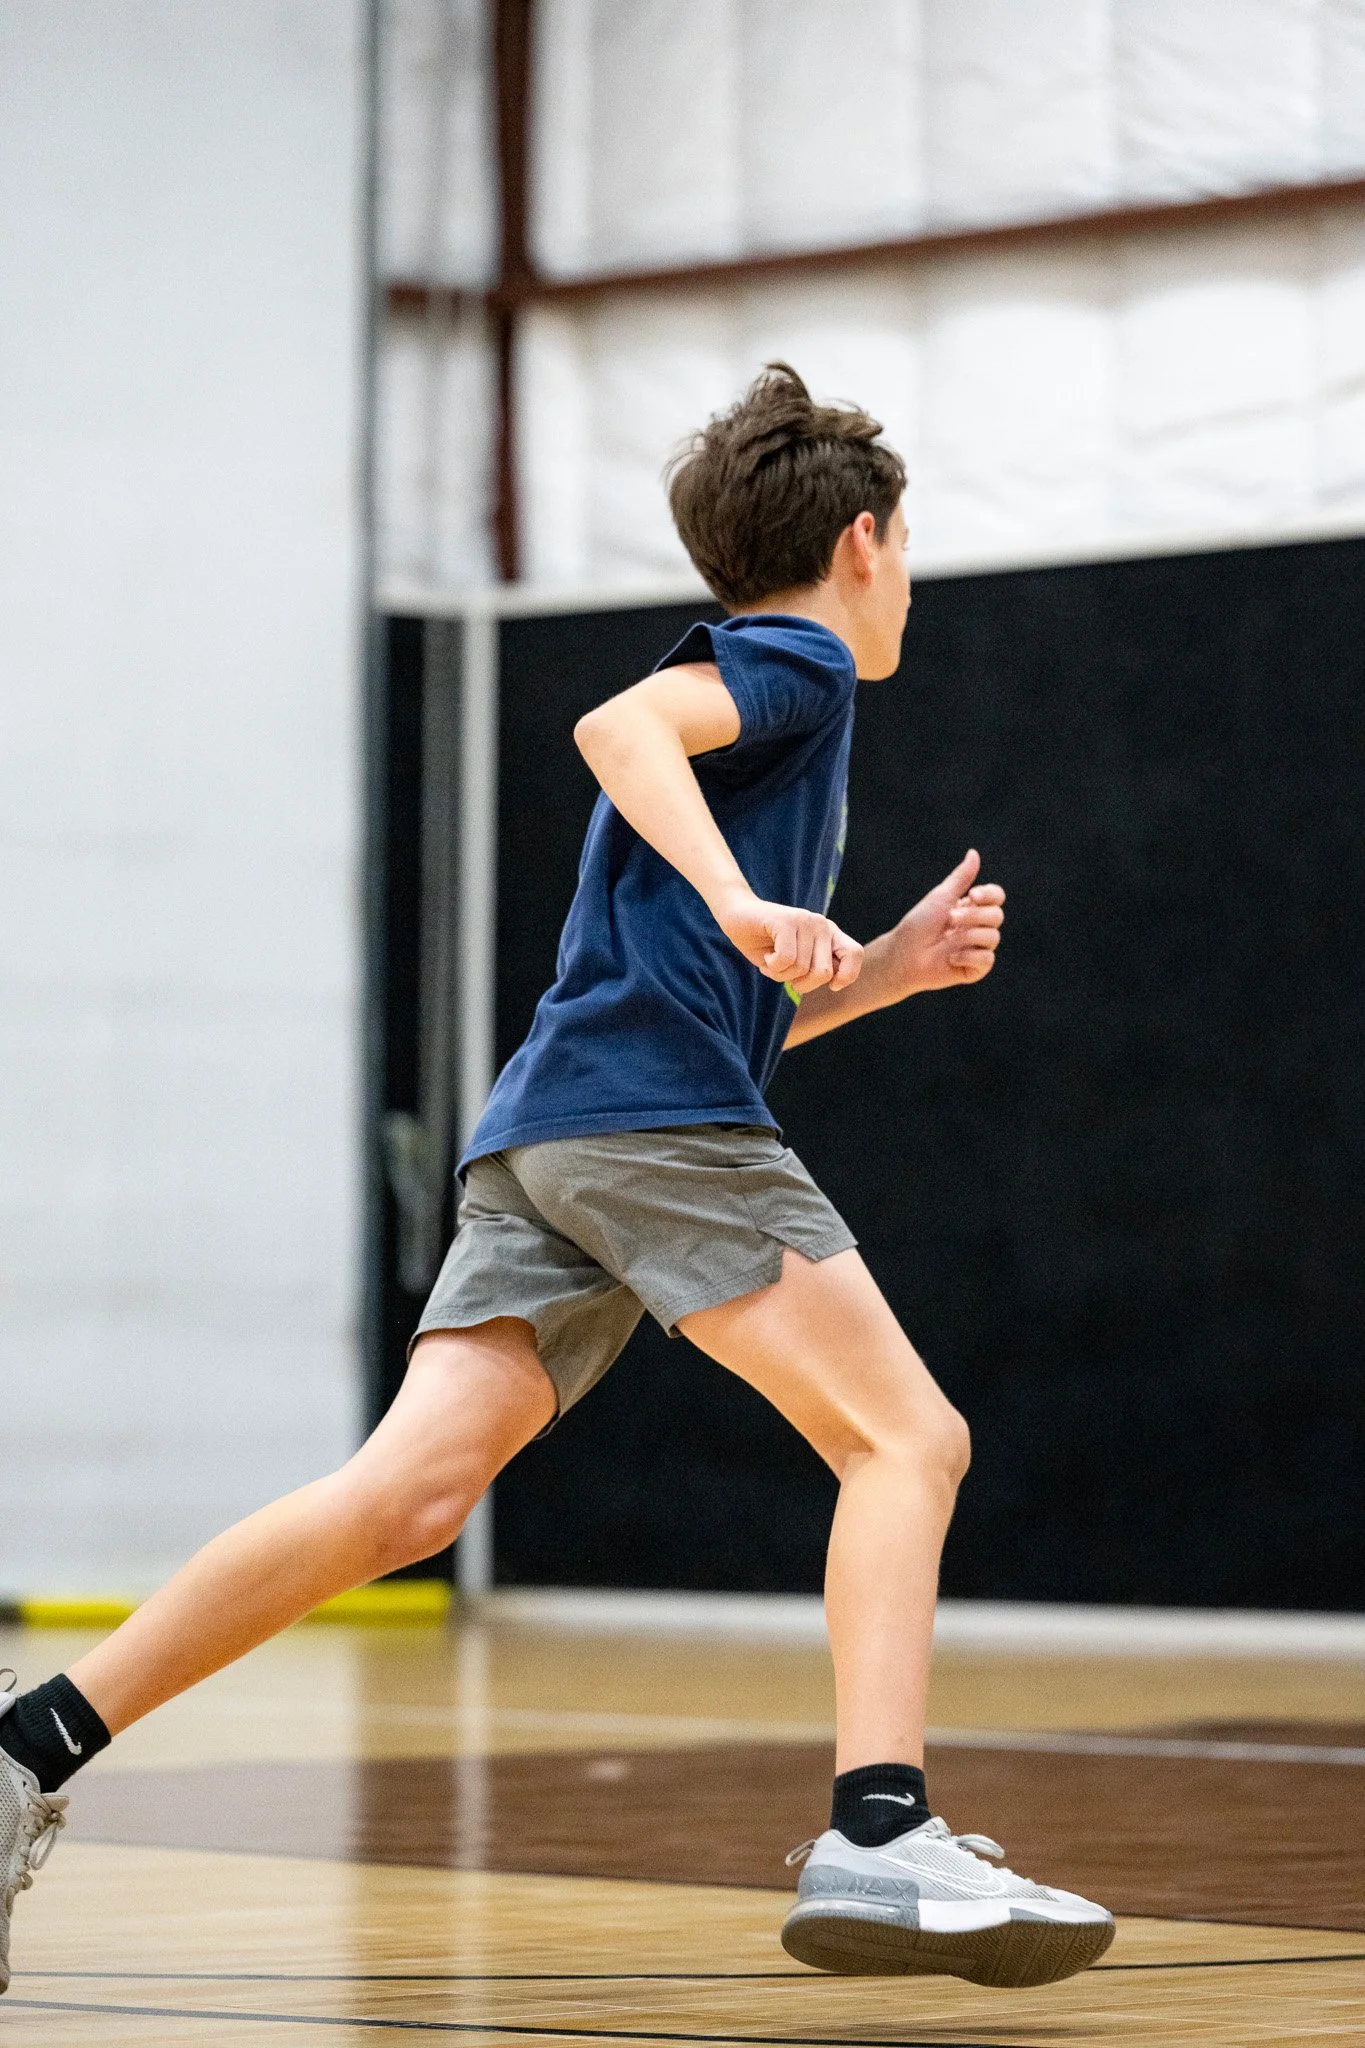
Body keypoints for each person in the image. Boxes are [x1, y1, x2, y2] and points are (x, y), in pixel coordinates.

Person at [0, 363, 1113, 1991]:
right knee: (908, 1438)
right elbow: (615, 726)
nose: (911, 582)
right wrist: (745, 900)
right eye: (911, 548)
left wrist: (876, 971)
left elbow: (719, 1030)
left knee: (406, 1499)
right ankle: (881, 1831)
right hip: (641, 1129)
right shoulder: (799, 666)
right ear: (864, 540)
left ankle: (27, 1746)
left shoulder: (769, 696)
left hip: (560, 1131)